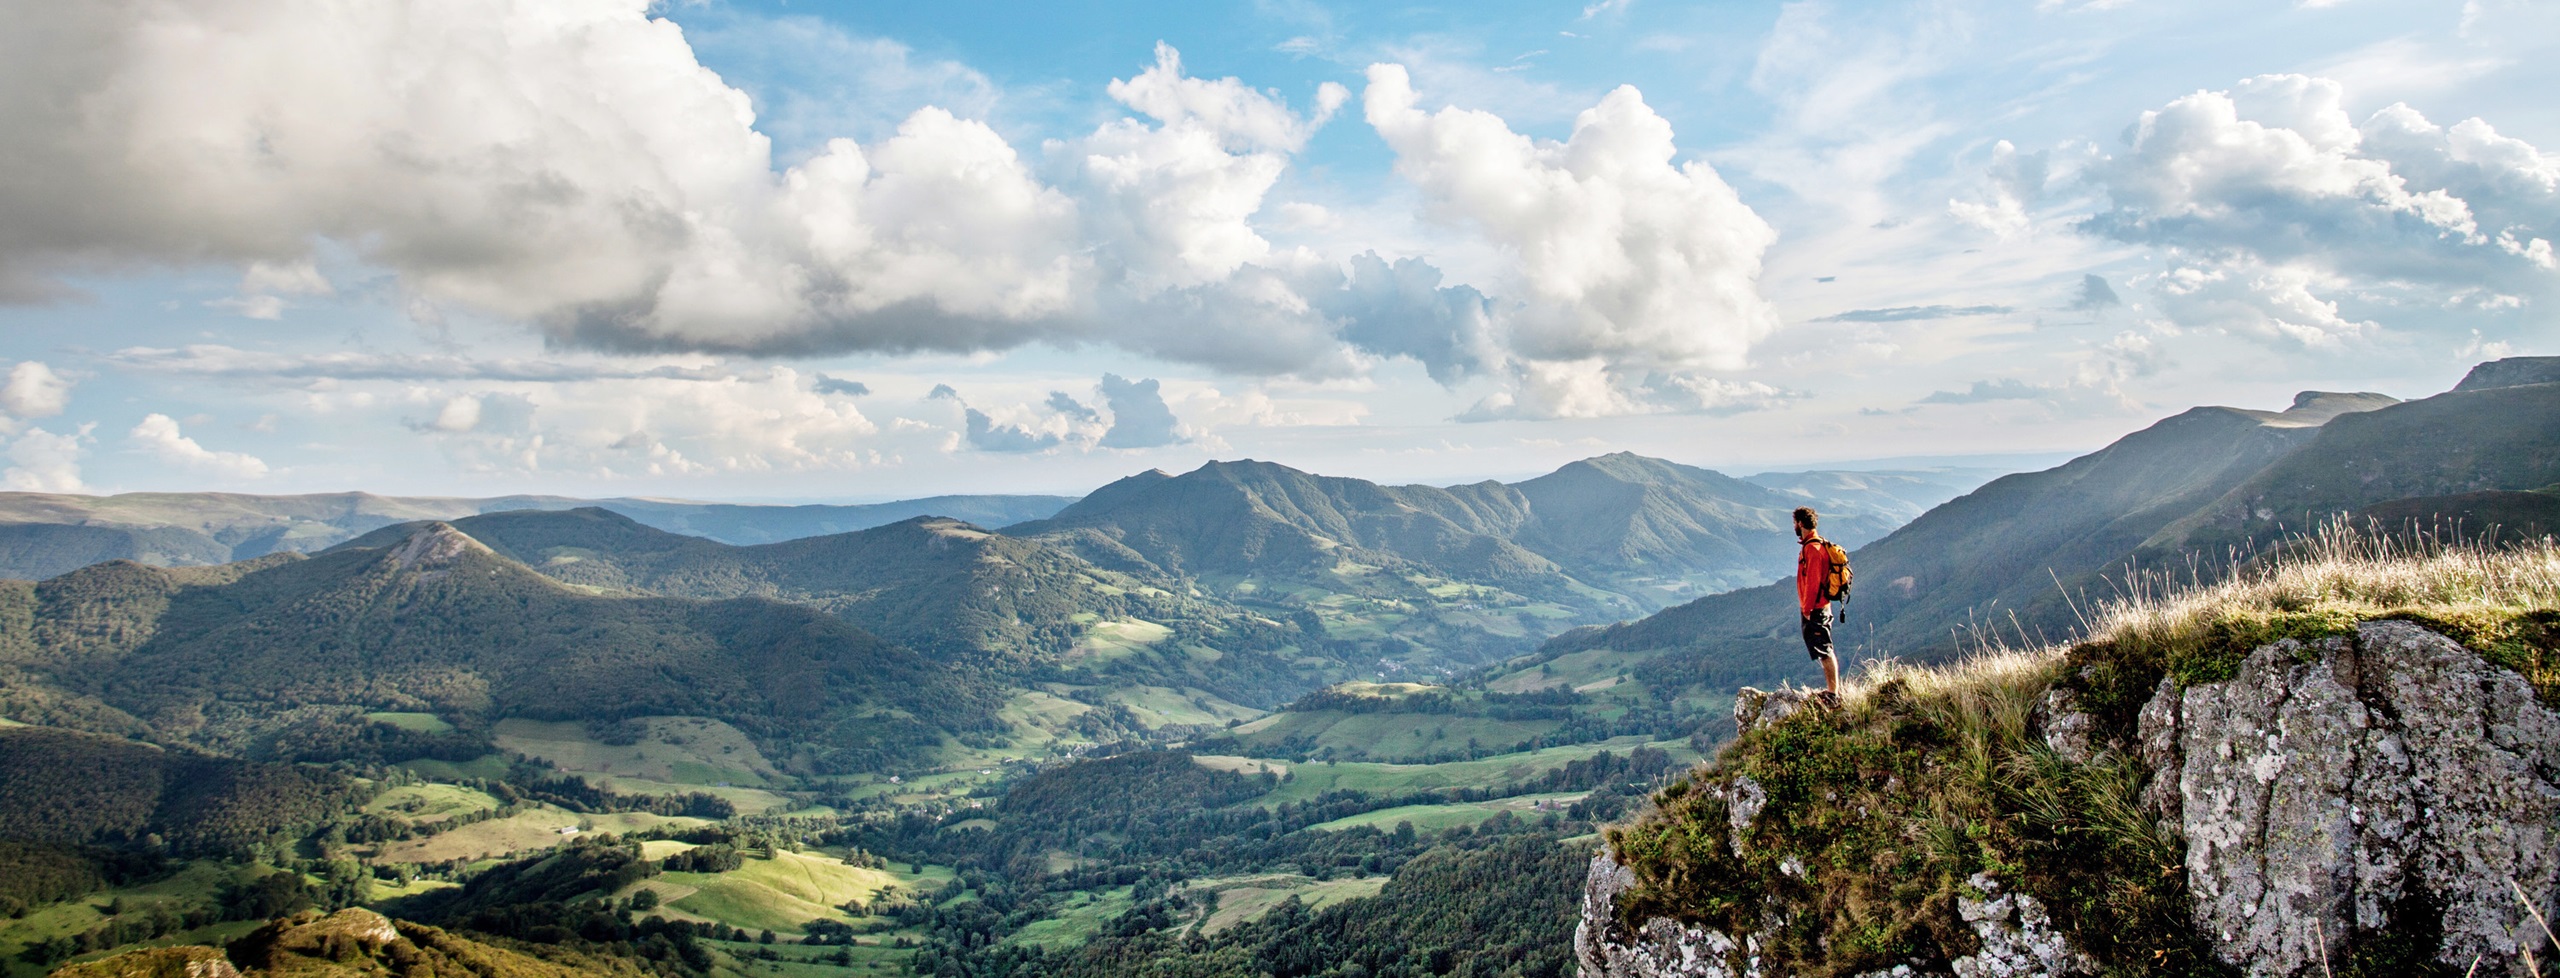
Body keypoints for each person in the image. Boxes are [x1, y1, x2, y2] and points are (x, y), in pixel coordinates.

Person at [1793, 506, 1843, 708]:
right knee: (1823, 649)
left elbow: (1813, 582)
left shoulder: (1812, 549)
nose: (1794, 527)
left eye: (1795, 522)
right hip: (1819, 607)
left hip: (1815, 608)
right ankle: (1832, 691)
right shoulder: (1814, 545)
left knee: (1824, 650)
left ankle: (1833, 694)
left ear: (1801, 523)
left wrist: (1806, 608)